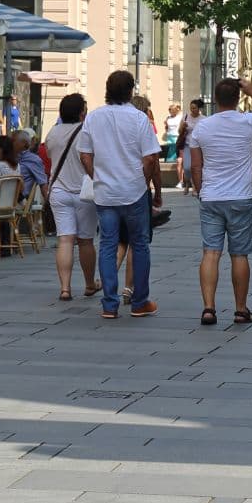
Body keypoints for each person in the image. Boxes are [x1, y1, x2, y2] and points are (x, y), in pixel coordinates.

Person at [190, 76, 252, 325]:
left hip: (212, 197)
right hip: (241, 197)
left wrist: (200, 190)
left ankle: (208, 308)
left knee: (210, 253)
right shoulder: (249, 121)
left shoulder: (202, 128)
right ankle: (240, 309)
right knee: (239, 255)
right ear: (239, 98)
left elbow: (196, 167)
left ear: (215, 99)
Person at [78, 70, 162, 320]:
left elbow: (84, 155)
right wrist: (145, 182)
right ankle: (139, 301)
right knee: (140, 245)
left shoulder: (93, 118)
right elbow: (150, 158)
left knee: (107, 245)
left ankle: (109, 304)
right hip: (134, 191)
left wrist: (97, 176)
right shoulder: (139, 119)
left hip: (105, 193)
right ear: (131, 91)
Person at [44, 93, 99, 302]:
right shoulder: (86, 132)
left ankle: (65, 288)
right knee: (85, 241)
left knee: (65, 239)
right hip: (85, 192)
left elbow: (50, 156)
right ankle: (89, 284)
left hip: (59, 189)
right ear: (81, 112)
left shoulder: (53, 132)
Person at [14, 129, 47, 198]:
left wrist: (49, 204)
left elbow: (43, 183)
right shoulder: (14, 155)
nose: (35, 142)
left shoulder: (34, 159)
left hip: (16, 197)